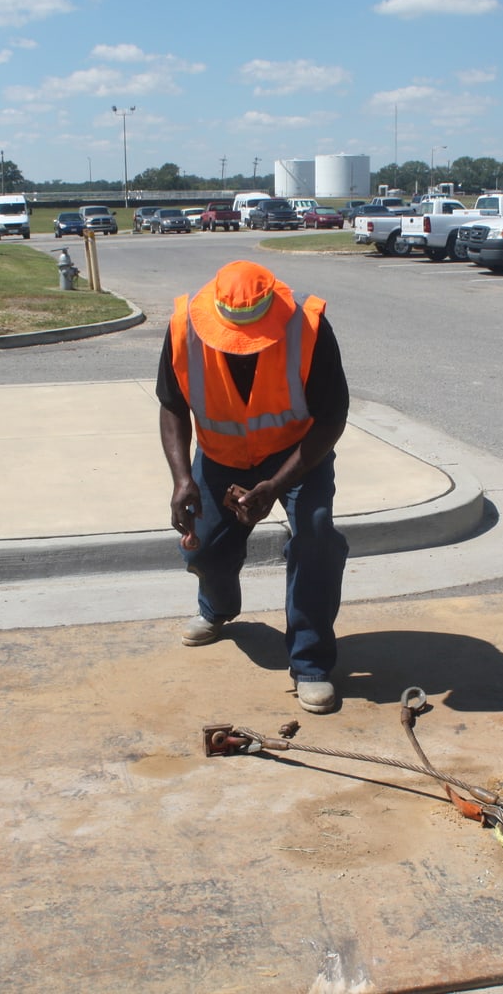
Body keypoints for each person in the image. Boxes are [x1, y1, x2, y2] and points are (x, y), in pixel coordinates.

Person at [157, 260, 350, 714]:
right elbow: (171, 406)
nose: (243, 349)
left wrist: (275, 485)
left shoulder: (309, 328)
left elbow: (331, 420)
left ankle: (310, 663)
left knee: (316, 536)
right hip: (221, 455)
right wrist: (183, 478)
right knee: (202, 549)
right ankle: (218, 606)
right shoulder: (184, 327)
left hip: (298, 454)